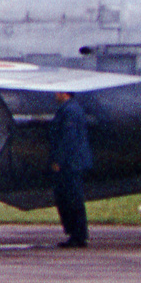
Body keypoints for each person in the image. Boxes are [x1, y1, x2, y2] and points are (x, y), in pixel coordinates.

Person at [48, 91, 93, 249]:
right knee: (69, 198)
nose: (55, 94)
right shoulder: (70, 109)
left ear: (64, 93)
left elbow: (69, 138)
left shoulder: (70, 110)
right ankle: (76, 235)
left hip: (70, 164)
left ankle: (78, 235)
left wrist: (58, 161)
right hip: (71, 162)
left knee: (72, 198)